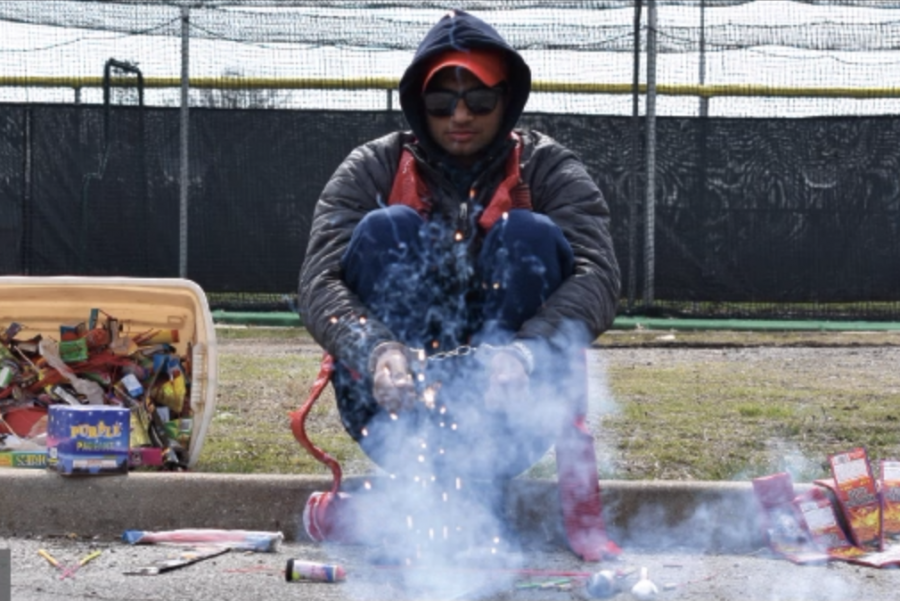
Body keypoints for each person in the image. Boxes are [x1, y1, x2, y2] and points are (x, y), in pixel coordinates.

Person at [298, 9, 620, 561]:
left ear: (508, 98)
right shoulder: (370, 167)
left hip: (516, 403)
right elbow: (319, 281)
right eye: (442, 103)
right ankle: (425, 494)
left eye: (480, 101)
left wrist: (526, 352)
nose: (461, 116)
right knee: (385, 227)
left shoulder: (549, 168)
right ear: (420, 107)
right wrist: (375, 351)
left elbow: (599, 275)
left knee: (529, 232)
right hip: (391, 406)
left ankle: (469, 492)